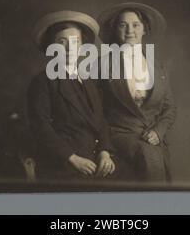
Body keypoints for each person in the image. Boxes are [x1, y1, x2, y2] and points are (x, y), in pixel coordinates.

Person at [26, 10, 128, 184]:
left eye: (75, 42)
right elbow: (40, 127)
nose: (68, 48)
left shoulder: (88, 81)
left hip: (96, 158)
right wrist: (73, 159)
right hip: (65, 164)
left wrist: (104, 152)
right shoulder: (43, 82)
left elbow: (101, 120)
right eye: (61, 42)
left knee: (132, 178)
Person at [98, 2, 177, 182]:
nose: (129, 30)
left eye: (135, 25)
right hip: (120, 136)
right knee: (147, 157)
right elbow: (96, 111)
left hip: (153, 137)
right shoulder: (102, 65)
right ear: (115, 30)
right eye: (122, 25)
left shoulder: (157, 66)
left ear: (144, 29)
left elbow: (170, 108)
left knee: (156, 161)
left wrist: (158, 131)